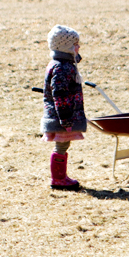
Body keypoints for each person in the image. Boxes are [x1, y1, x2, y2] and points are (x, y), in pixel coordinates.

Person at [41, 25, 87, 190]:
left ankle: (60, 177)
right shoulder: (62, 67)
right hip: (62, 116)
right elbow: (59, 94)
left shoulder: (63, 64)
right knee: (61, 145)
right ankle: (59, 179)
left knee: (63, 145)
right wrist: (66, 119)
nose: (78, 47)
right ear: (65, 46)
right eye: (75, 44)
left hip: (62, 115)